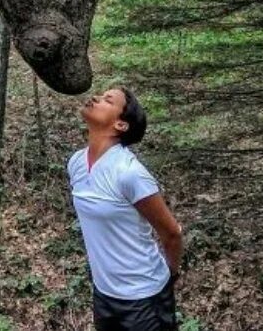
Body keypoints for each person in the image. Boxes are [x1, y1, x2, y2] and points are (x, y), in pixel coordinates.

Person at [67, 86, 183, 331]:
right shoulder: (76, 163)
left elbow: (172, 233)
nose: (96, 98)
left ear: (120, 125)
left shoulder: (129, 173)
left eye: (108, 100)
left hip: (145, 299)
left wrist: (170, 275)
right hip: (104, 294)